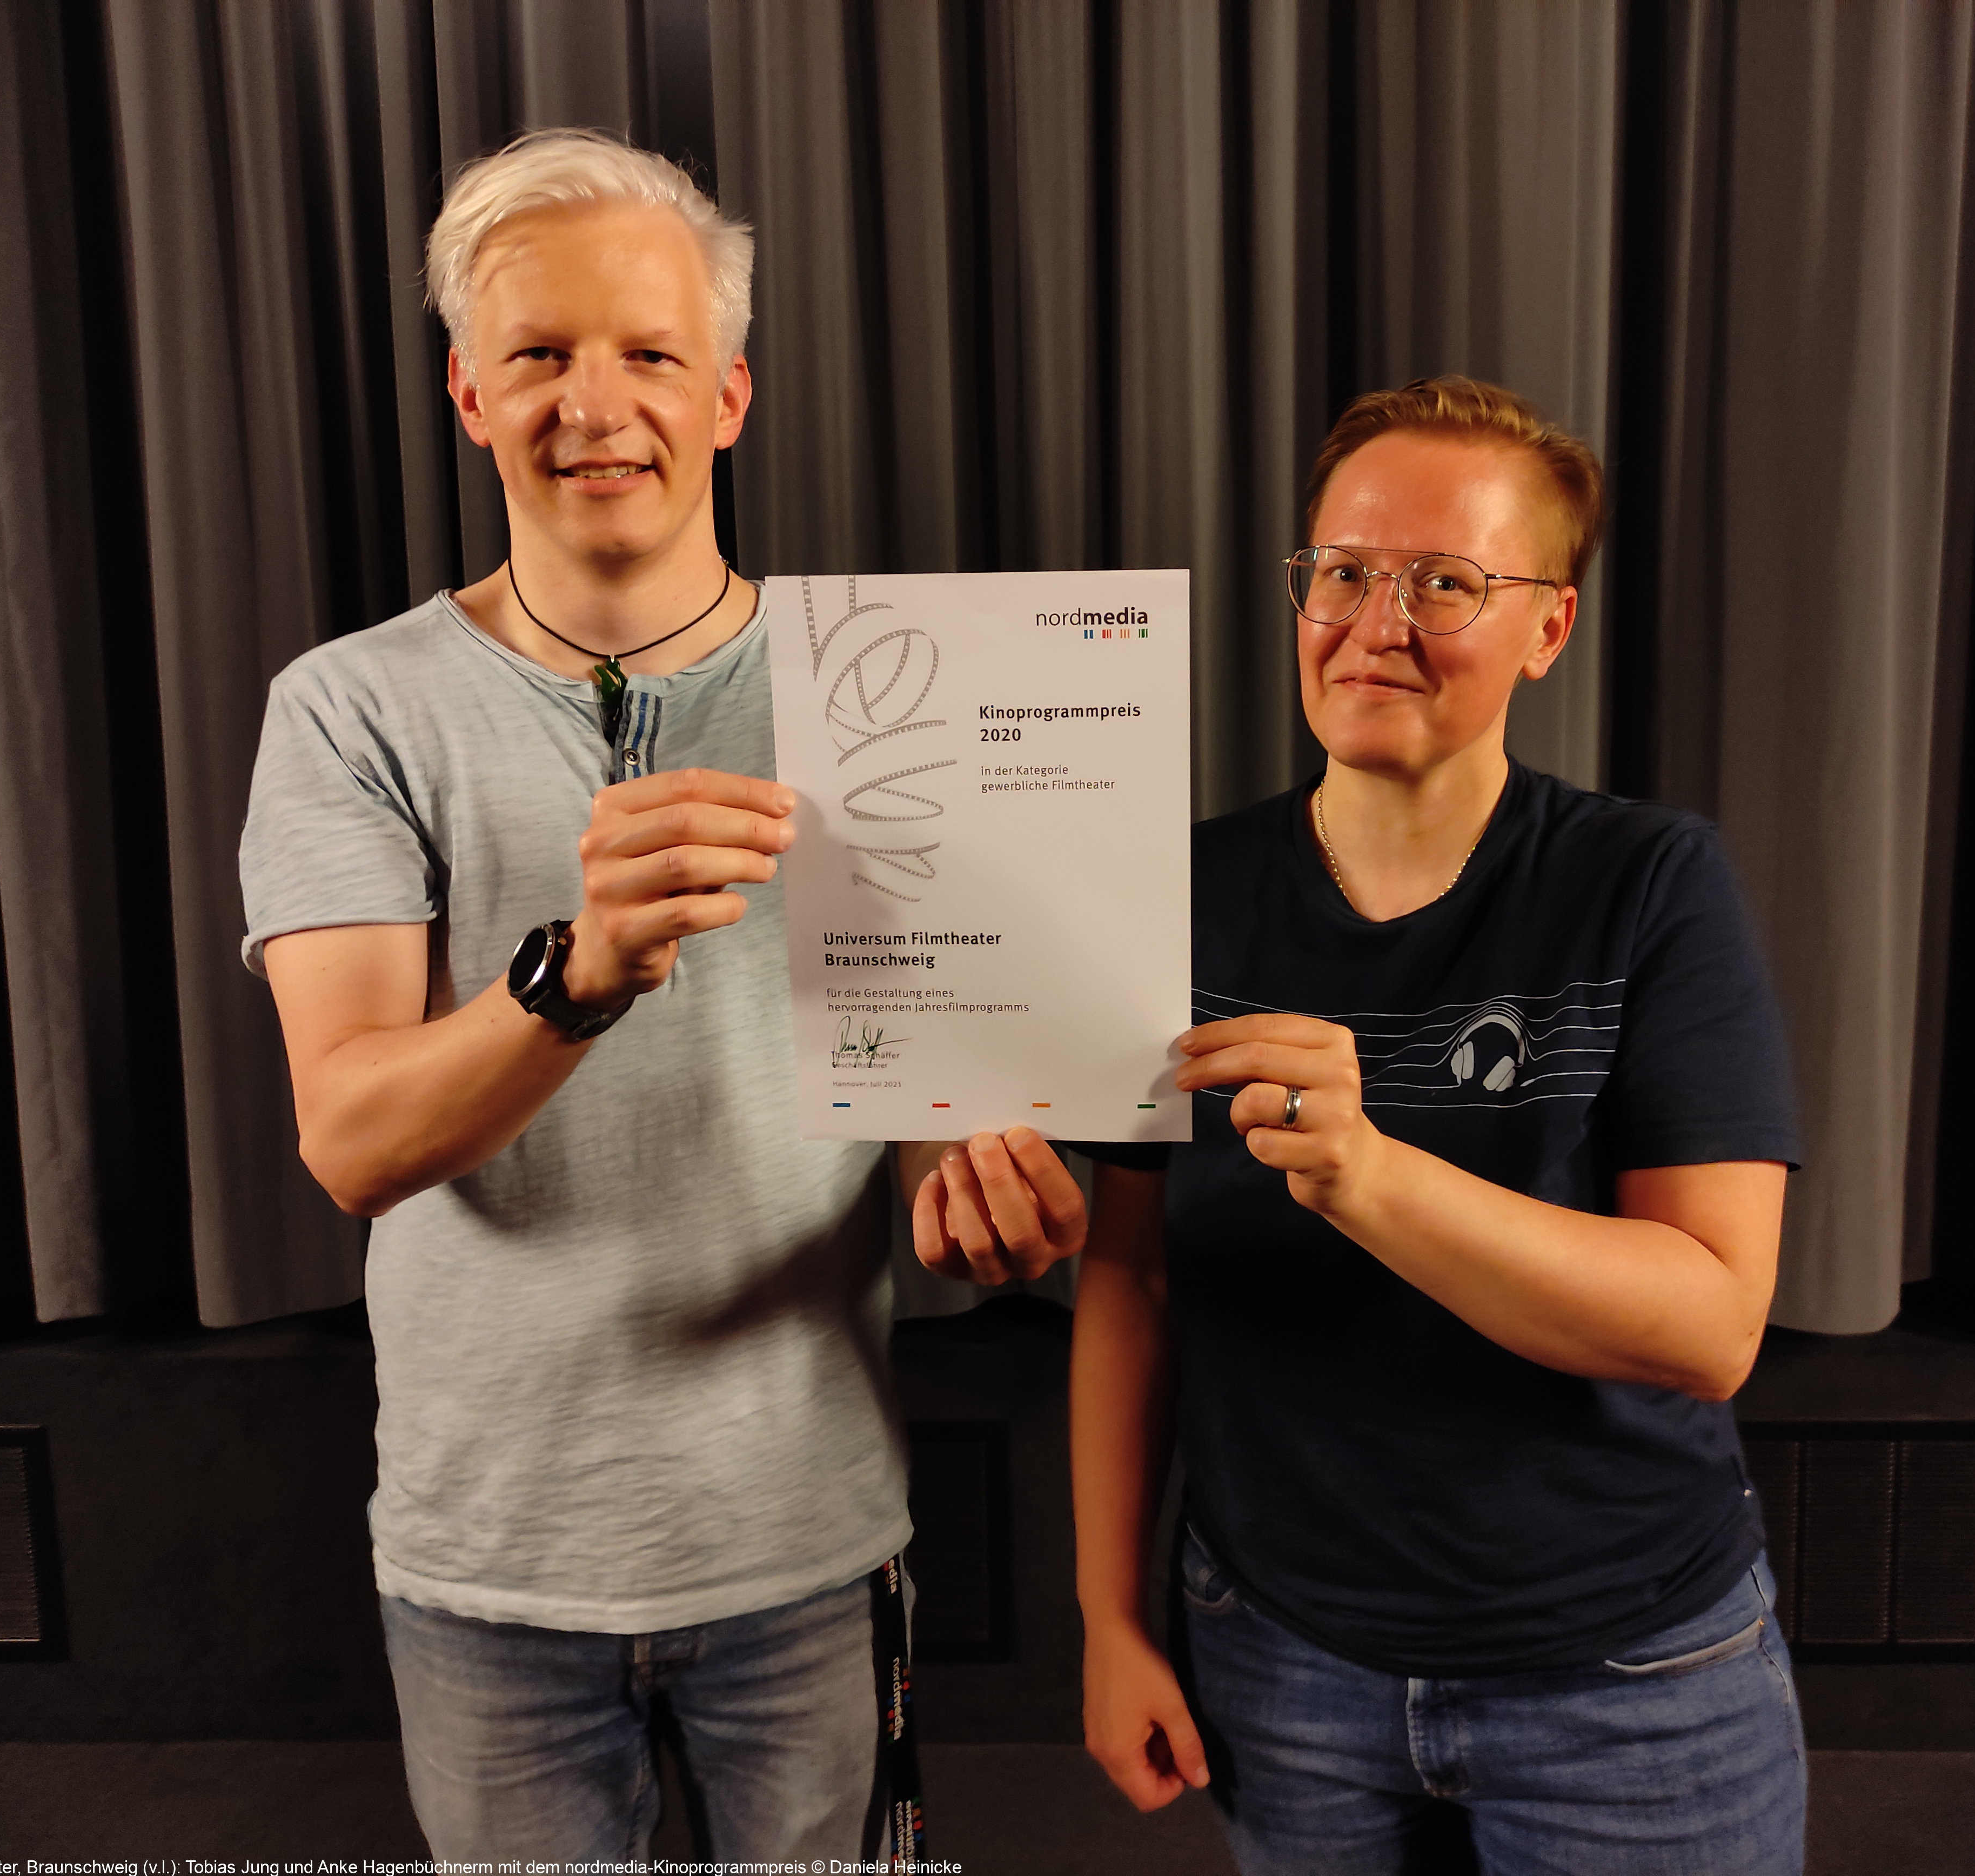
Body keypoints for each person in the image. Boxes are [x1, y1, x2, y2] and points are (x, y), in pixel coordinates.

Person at [239, 128, 1077, 1860]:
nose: (594, 402)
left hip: (811, 1533)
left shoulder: (890, 694)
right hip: (492, 1561)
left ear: (730, 396)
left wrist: (975, 1189)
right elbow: (353, 1140)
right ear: (471, 396)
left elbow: (922, 1114)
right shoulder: (348, 710)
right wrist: (576, 976)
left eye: (649, 354)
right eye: (540, 354)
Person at [1068, 377, 1806, 1873]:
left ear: (1548, 626)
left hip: (1628, 1679)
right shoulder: (1172, 894)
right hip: (1280, 1663)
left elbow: (1709, 1321)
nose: (1374, 620)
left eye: (1446, 582)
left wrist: (1369, 1177)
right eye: (1341, 571)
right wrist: (1107, 1618)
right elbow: (1130, 1282)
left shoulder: (1646, 883)